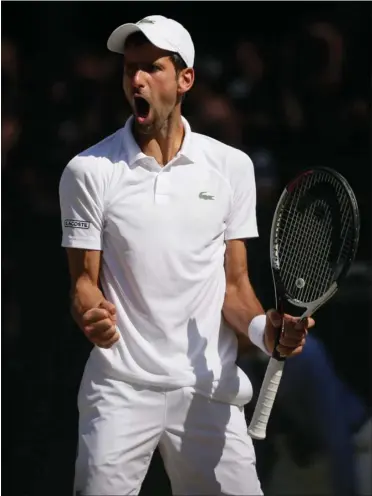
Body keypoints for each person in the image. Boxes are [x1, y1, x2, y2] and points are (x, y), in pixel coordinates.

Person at [59, 15, 313, 496]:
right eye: (129, 68)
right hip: (120, 387)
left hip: (207, 390)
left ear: (184, 80)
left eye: (152, 67)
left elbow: (235, 287)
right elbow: (83, 282)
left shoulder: (231, 169)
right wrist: (90, 312)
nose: (136, 79)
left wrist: (265, 331)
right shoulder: (87, 171)